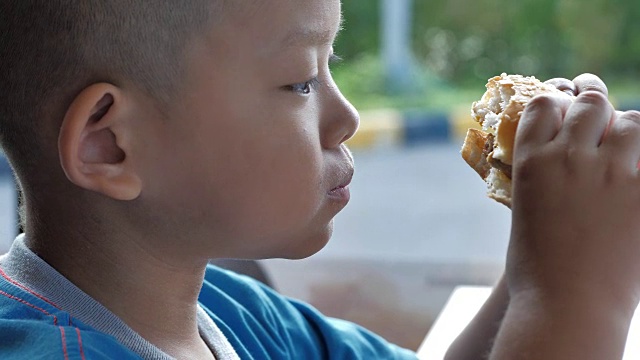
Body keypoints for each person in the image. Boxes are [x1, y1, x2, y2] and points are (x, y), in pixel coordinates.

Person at [0, 0, 639, 359]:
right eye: (301, 81)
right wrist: (574, 300)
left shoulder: (234, 314)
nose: (347, 116)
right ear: (111, 144)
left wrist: (545, 265)